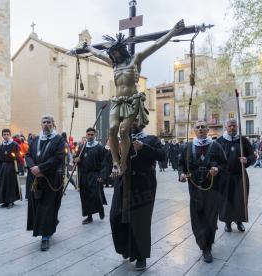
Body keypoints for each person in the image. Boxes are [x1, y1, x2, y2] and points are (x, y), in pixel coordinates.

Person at [81, 20, 185, 177]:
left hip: (132, 100)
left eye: (115, 53)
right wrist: (88, 47)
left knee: (124, 130)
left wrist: (173, 32)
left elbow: (156, 45)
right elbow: (99, 54)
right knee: (112, 129)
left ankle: (123, 164)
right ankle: (116, 162)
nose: (113, 56)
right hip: (117, 101)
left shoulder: (136, 59)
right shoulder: (114, 64)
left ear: (121, 50)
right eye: (111, 54)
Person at [110, 116, 165, 271]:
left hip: (143, 183)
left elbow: (162, 156)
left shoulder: (151, 139)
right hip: (122, 183)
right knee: (116, 217)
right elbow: (113, 159)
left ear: (143, 123)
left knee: (140, 220)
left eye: (136, 120)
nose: (133, 123)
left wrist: (144, 148)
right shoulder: (122, 139)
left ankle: (141, 256)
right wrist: (114, 169)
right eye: (130, 120)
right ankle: (125, 248)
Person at [178, 120, 228, 263]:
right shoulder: (187, 146)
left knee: (211, 214)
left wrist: (218, 169)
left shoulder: (216, 146)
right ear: (194, 130)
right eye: (197, 127)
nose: (200, 129)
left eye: (203, 127)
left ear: (207, 130)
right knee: (197, 214)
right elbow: (181, 164)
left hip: (212, 185)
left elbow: (225, 164)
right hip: (194, 185)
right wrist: (181, 174)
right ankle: (202, 242)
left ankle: (207, 246)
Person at [26, 115, 65, 251]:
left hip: (51, 178)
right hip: (36, 178)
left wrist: (41, 168)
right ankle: (49, 225)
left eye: (49, 122)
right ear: (41, 124)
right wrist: (33, 169)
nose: (46, 125)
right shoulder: (35, 140)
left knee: (47, 207)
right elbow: (28, 155)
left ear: (53, 125)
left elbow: (58, 158)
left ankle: (45, 237)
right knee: (37, 205)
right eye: (44, 122)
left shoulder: (59, 139)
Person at [216, 119, 255, 232]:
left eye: (234, 126)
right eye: (229, 126)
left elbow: (253, 156)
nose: (232, 128)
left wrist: (246, 160)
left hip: (240, 175)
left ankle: (239, 222)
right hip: (224, 176)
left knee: (240, 199)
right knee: (226, 199)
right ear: (226, 127)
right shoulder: (219, 141)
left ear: (237, 127)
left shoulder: (243, 141)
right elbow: (213, 157)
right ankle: (227, 223)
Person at [74, 128, 107, 224]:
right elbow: (76, 158)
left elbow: (103, 163)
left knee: (96, 194)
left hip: (94, 174)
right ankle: (89, 216)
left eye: (92, 134)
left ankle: (100, 209)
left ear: (95, 135)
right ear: (86, 135)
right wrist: (76, 160)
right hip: (83, 174)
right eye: (88, 134)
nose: (90, 136)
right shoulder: (81, 147)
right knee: (85, 195)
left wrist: (102, 175)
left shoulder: (100, 148)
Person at [0, 129, 21, 209]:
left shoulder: (14, 144)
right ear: (2, 136)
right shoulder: (1, 146)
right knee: (3, 184)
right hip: (3, 167)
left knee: (10, 184)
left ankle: (11, 200)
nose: (6, 136)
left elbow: (17, 156)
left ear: (10, 135)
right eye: (4, 134)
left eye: (7, 134)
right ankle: (4, 201)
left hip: (11, 166)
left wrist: (16, 168)